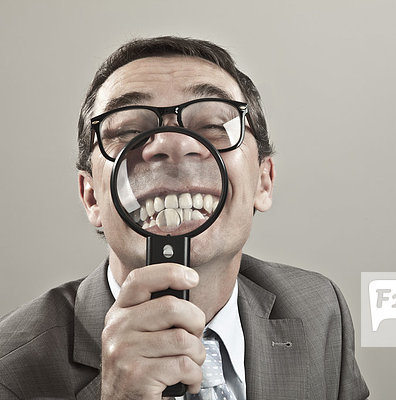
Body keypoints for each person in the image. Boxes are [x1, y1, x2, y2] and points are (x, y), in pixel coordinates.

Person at [0, 36, 369, 399]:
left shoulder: (320, 311)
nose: (171, 143)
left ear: (263, 181)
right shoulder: (9, 371)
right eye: (129, 131)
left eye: (211, 124)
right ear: (92, 196)